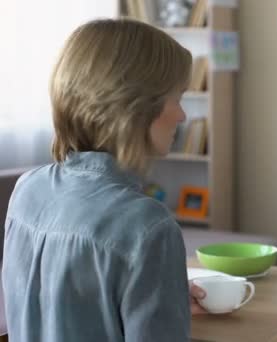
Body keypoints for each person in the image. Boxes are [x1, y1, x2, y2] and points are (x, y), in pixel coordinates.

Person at [2, 19, 206, 341]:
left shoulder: (27, 190)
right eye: (176, 99)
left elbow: (68, 305)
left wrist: (166, 292)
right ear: (136, 106)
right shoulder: (148, 228)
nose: (182, 116)